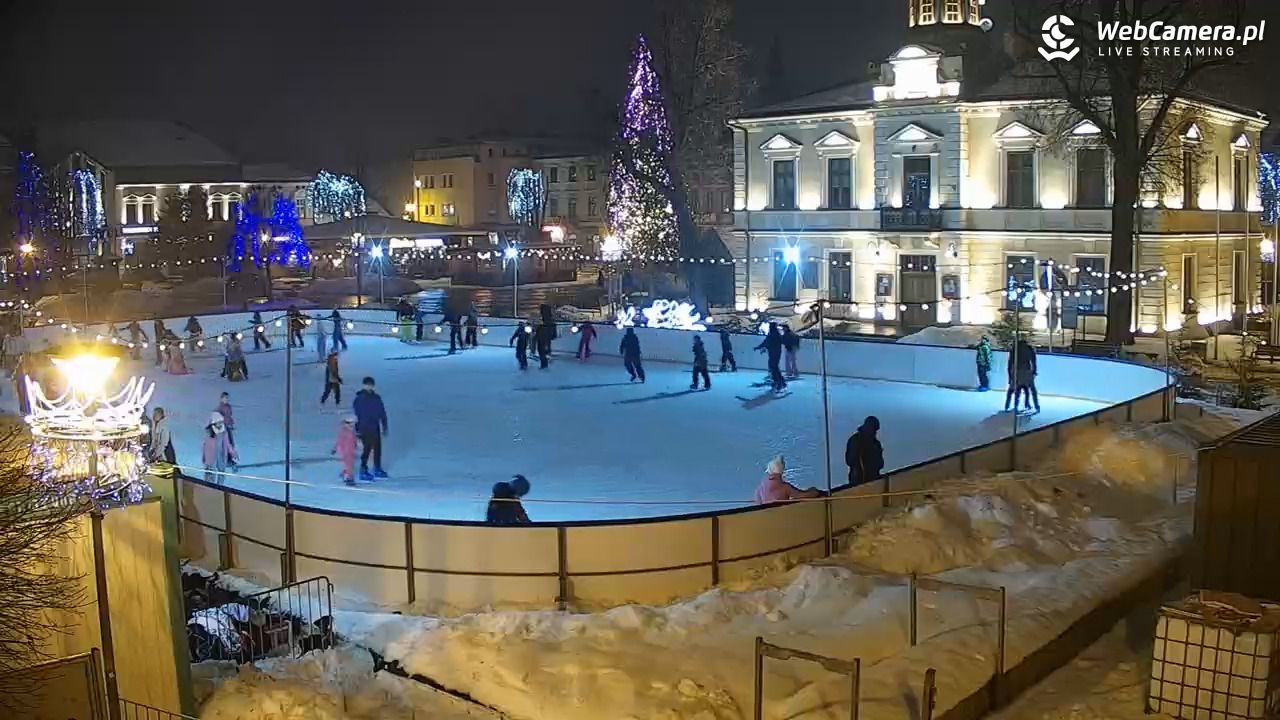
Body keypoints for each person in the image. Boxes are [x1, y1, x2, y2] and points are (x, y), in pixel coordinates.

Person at [353, 376, 388, 481]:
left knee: (377, 448)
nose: (369, 387)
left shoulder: (376, 398)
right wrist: (357, 429)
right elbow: (357, 415)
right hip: (364, 427)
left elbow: (382, 412)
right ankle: (363, 469)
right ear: (363, 385)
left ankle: (377, 468)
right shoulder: (359, 399)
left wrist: (384, 425)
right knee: (367, 449)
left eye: (371, 385)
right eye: (367, 384)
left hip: (375, 426)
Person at [754, 456, 821, 505]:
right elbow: (801, 495)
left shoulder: (759, 489)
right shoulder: (785, 487)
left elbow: (757, 504)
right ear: (781, 472)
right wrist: (814, 492)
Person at [846, 416, 884, 486]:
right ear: (868, 427)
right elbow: (850, 460)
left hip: (874, 481)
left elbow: (880, 463)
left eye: (876, 430)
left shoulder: (876, 443)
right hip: (858, 481)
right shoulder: (855, 440)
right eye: (874, 429)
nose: (875, 432)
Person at [202, 411, 237, 484]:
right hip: (211, 456)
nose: (221, 424)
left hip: (221, 454)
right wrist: (204, 457)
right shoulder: (209, 433)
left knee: (221, 472)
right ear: (214, 423)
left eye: (221, 422)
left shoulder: (224, 431)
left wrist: (233, 453)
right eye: (219, 422)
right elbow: (205, 446)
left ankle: (220, 487)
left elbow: (227, 444)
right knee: (210, 473)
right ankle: (209, 486)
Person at [1007, 339, 1040, 413]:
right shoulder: (1029, 349)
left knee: (1015, 389)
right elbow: (1033, 361)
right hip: (1027, 372)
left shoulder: (1015, 349)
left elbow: (1010, 363)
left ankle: (1011, 405)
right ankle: (1036, 406)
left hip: (1017, 372)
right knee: (1032, 390)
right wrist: (1034, 371)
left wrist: (1010, 376)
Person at [755, 323, 786, 392]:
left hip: (774, 353)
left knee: (773, 367)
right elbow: (767, 342)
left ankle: (779, 382)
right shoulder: (775, 334)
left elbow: (767, 342)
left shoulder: (773, 334)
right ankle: (779, 381)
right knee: (774, 367)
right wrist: (760, 347)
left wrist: (761, 347)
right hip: (774, 352)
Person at [332, 416, 358, 485]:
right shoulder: (345, 432)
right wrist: (335, 448)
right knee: (349, 464)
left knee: (349, 464)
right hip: (346, 451)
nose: (353, 425)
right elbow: (339, 441)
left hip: (350, 450)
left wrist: (355, 445)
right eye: (351, 423)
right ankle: (348, 478)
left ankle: (346, 474)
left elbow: (354, 440)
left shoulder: (351, 431)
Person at [215, 392, 238, 470]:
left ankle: (229, 459)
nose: (226, 399)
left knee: (231, 444)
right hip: (223, 429)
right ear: (221, 399)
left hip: (228, 427)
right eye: (225, 398)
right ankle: (227, 460)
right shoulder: (220, 408)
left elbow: (229, 416)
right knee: (226, 445)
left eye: (227, 398)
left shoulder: (228, 407)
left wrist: (231, 424)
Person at [535, 304, 557, 369]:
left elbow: (538, 328)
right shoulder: (550, 319)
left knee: (542, 351)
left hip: (542, 338)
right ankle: (544, 364)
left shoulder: (543, 320)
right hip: (546, 338)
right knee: (544, 351)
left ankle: (544, 365)